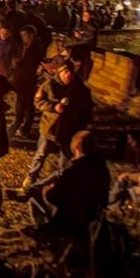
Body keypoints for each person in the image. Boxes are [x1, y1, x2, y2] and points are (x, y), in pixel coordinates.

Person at [27, 130, 111, 238]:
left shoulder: (73, 169)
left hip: (74, 214)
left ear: (76, 145)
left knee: (34, 195)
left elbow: (53, 197)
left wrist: (46, 189)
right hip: (95, 211)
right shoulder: (101, 166)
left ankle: (45, 229)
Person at [24, 60, 93, 188]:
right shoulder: (49, 85)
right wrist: (54, 107)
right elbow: (38, 101)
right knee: (41, 154)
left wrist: (83, 127)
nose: (69, 75)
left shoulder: (81, 90)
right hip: (50, 127)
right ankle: (31, 176)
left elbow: (87, 110)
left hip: (70, 129)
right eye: (65, 72)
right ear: (59, 72)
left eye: (71, 72)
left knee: (66, 158)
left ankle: (61, 182)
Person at [10, 25, 45, 138]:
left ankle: (17, 127)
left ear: (31, 35)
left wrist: (19, 64)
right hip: (22, 81)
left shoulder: (35, 49)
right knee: (28, 105)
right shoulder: (26, 47)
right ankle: (24, 128)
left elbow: (30, 67)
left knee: (23, 106)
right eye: (22, 36)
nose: (23, 38)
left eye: (25, 35)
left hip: (27, 82)